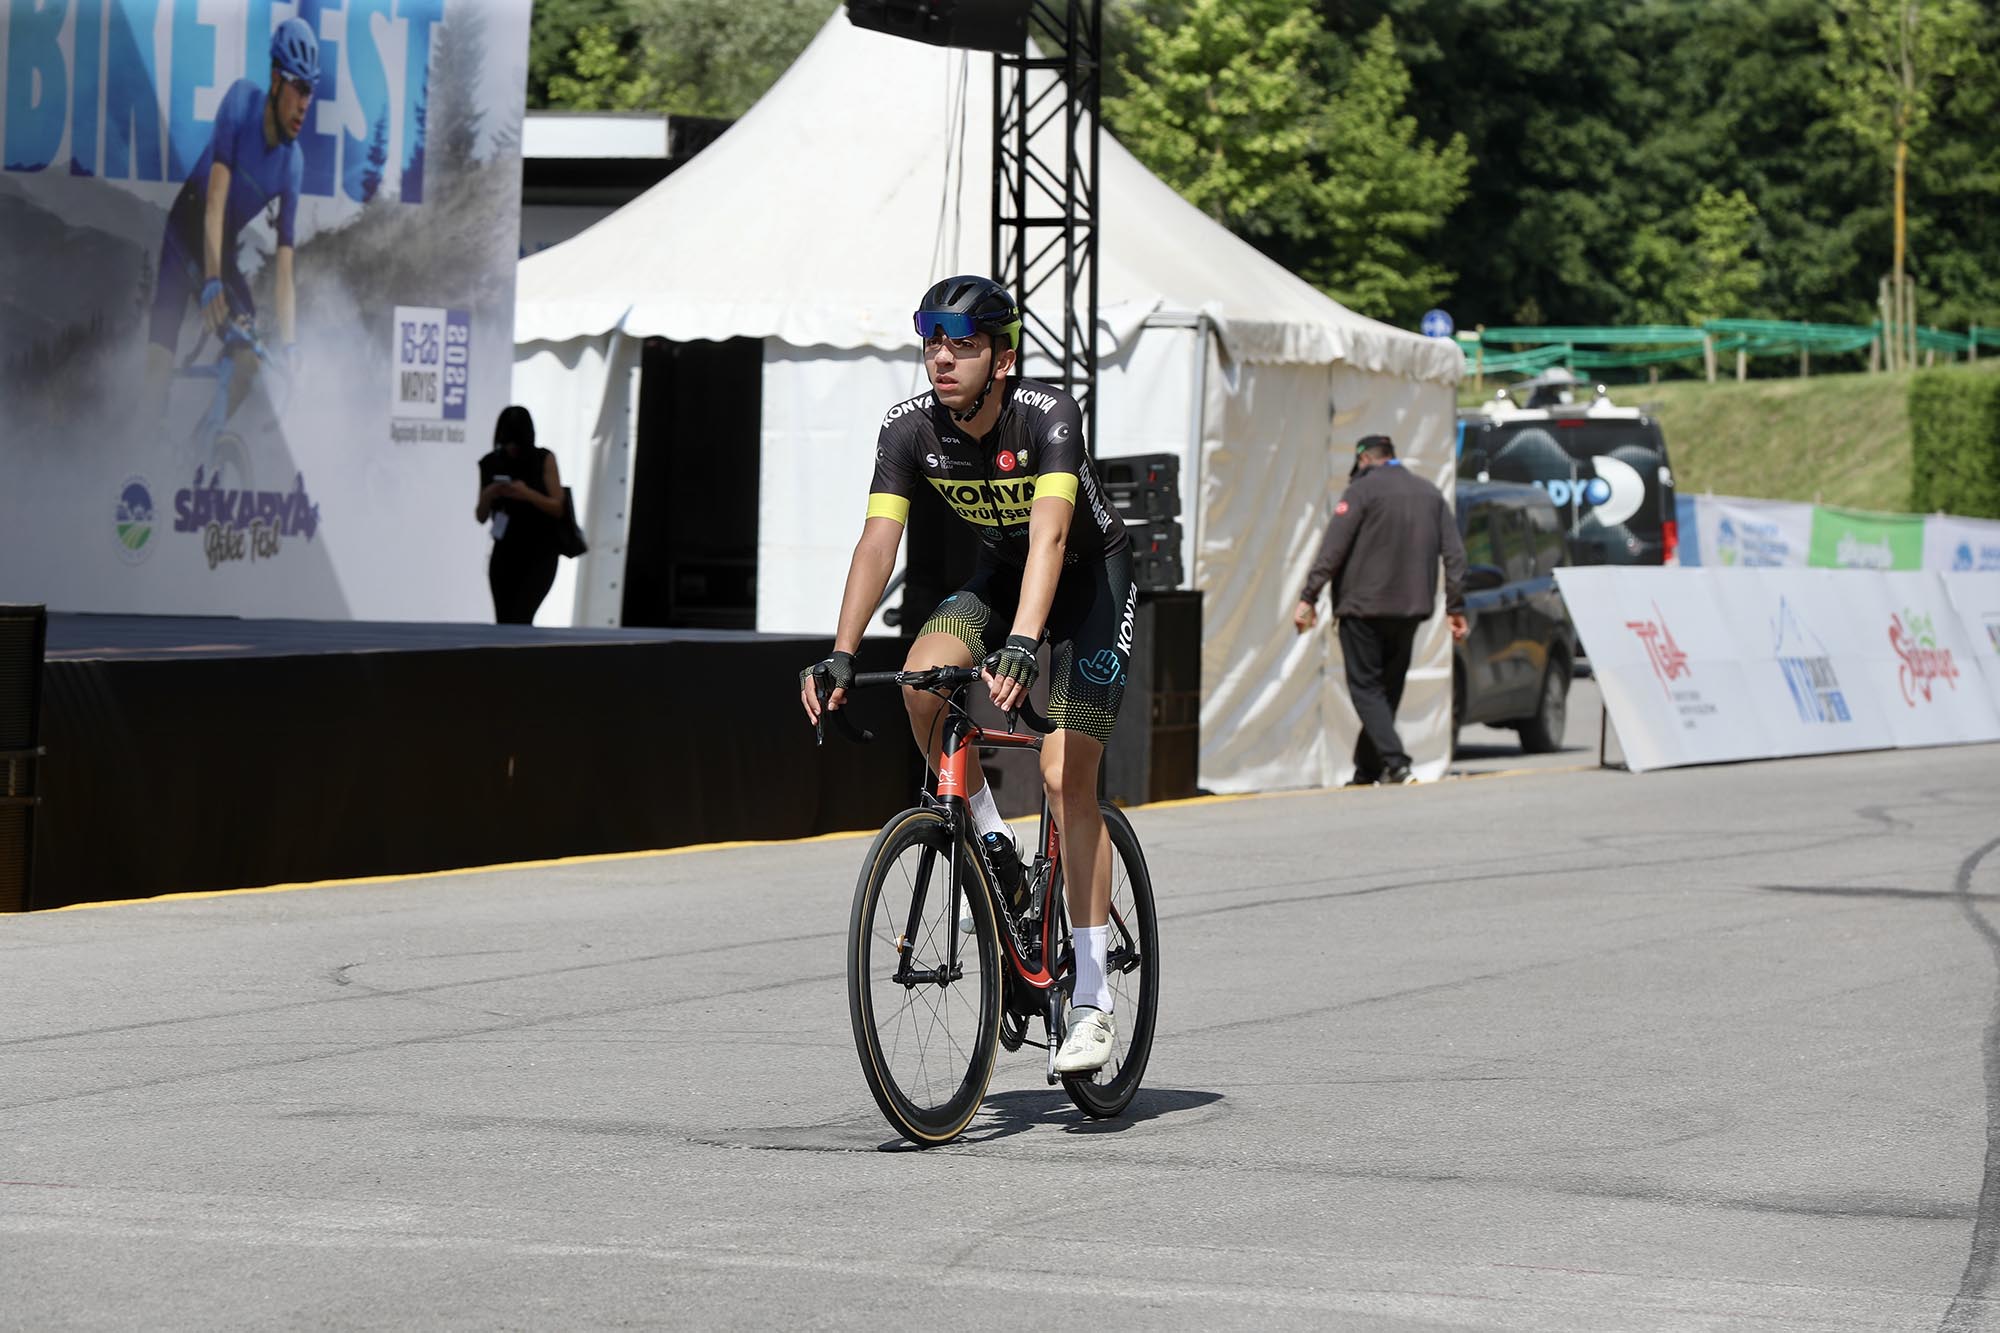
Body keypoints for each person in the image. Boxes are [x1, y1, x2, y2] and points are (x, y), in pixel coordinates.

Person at [798, 275, 1136, 1075]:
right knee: (921, 678)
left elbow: (1053, 537)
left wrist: (1023, 640)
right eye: (933, 344)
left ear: (1004, 358)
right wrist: (843, 649)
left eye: (964, 345)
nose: (942, 359)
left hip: (1087, 581)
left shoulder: (1049, 415)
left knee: (1062, 776)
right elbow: (879, 542)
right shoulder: (909, 429)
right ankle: (995, 845)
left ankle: (1091, 996)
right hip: (1001, 572)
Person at [143, 18, 316, 425]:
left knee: (249, 359)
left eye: (312, 90)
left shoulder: (294, 165)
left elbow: (285, 268)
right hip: (186, 228)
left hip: (218, 248)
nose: (306, 103)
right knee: (156, 374)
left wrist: (290, 346)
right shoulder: (241, 101)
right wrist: (213, 280)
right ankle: (144, 457)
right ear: (276, 80)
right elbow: (215, 200)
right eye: (300, 87)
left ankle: (198, 457)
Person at [1292, 434, 1469, 786]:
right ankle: (1367, 770)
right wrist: (1455, 604)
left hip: (1363, 607)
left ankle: (1396, 763)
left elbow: (1333, 548)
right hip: (1410, 609)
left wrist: (1309, 595)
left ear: (1362, 460)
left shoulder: (1361, 491)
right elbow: (1455, 554)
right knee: (1387, 689)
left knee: (1367, 689)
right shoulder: (1429, 493)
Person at [475, 406, 566, 624]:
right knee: (504, 618)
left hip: (538, 554)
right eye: (508, 441)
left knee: (522, 617)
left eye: (517, 441)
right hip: (505, 552)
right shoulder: (490, 462)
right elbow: (481, 515)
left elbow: (558, 507)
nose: (512, 447)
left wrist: (527, 494)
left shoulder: (544, 459)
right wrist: (490, 493)